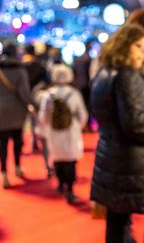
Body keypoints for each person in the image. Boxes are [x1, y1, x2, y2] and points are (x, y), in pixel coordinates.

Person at [91, 24, 144, 243]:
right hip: (135, 162)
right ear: (125, 44)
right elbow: (136, 123)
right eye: (139, 46)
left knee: (116, 219)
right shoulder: (126, 75)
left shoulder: (104, 73)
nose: (143, 53)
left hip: (112, 157)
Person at [38, 64, 88, 204]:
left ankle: (60, 184)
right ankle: (70, 189)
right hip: (71, 130)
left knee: (58, 158)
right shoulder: (74, 93)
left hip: (54, 131)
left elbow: (42, 116)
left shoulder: (48, 95)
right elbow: (83, 115)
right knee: (71, 160)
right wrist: (79, 125)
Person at [0, 42, 31, 189]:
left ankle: (3, 173)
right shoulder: (20, 70)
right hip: (17, 111)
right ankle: (17, 166)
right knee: (17, 141)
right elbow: (25, 93)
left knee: (2, 143)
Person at [23, 44, 50, 172]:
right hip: (40, 98)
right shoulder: (40, 66)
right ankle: (38, 140)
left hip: (28, 98)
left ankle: (34, 139)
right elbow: (47, 81)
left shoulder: (23, 67)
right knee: (42, 122)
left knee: (33, 121)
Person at [72, 40, 93, 131]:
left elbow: (74, 72)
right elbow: (90, 74)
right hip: (86, 86)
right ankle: (87, 125)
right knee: (87, 106)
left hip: (78, 85)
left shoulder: (78, 59)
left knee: (80, 106)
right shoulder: (88, 59)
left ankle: (82, 125)